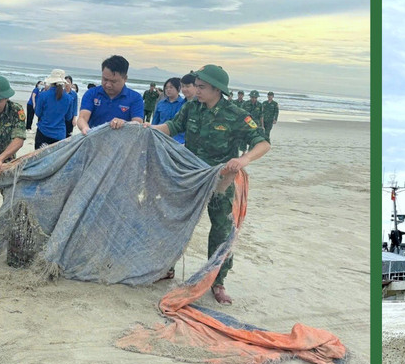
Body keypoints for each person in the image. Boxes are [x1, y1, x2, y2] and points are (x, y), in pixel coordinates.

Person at [153, 64, 271, 305]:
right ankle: (167, 267)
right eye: (195, 86)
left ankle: (217, 281)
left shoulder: (236, 115)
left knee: (220, 229)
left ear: (217, 89)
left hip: (220, 182)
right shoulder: (191, 108)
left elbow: (263, 143)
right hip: (191, 177)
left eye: (201, 87)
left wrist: (243, 159)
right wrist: (149, 129)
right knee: (176, 221)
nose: (196, 90)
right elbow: (173, 127)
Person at [74, 54, 146, 133]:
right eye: (105, 79)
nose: (108, 85)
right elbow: (82, 118)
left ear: (125, 78)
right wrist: (85, 128)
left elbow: (137, 123)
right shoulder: (92, 93)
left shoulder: (135, 98)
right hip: (94, 140)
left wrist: (125, 124)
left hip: (122, 143)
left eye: (113, 81)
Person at [32, 71, 74, 149]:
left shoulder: (43, 95)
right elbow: (69, 117)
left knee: (39, 159)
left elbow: (38, 113)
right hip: (59, 134)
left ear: (51, 82)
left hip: (43, 132)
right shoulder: (69, 98)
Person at [150, 76, 186, 143]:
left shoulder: (184, 104)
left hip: (178, 141)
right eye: (166, 88)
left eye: (171, 87)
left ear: (178, 88)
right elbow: (155, 122)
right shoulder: (160, 104)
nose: (168, 90)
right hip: (160, 138)